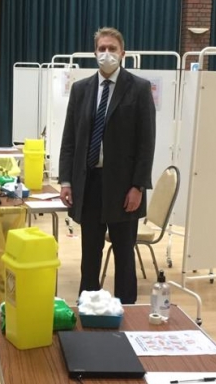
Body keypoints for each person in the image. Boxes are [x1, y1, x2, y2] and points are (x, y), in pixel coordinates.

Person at [59, 27, 156, 304]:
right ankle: (88, 308)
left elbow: (146, 143)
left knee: (124, 257)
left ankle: (127, 313)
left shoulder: (138, 88)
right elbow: (70, 139)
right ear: (94, 53)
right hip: (88, 185)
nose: (107, 54)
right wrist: (66, 181)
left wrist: (138, 186)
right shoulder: (81, 90)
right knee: (90, 254)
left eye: (112, 49)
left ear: (122, 53)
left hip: (125, 189)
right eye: (102, 49)